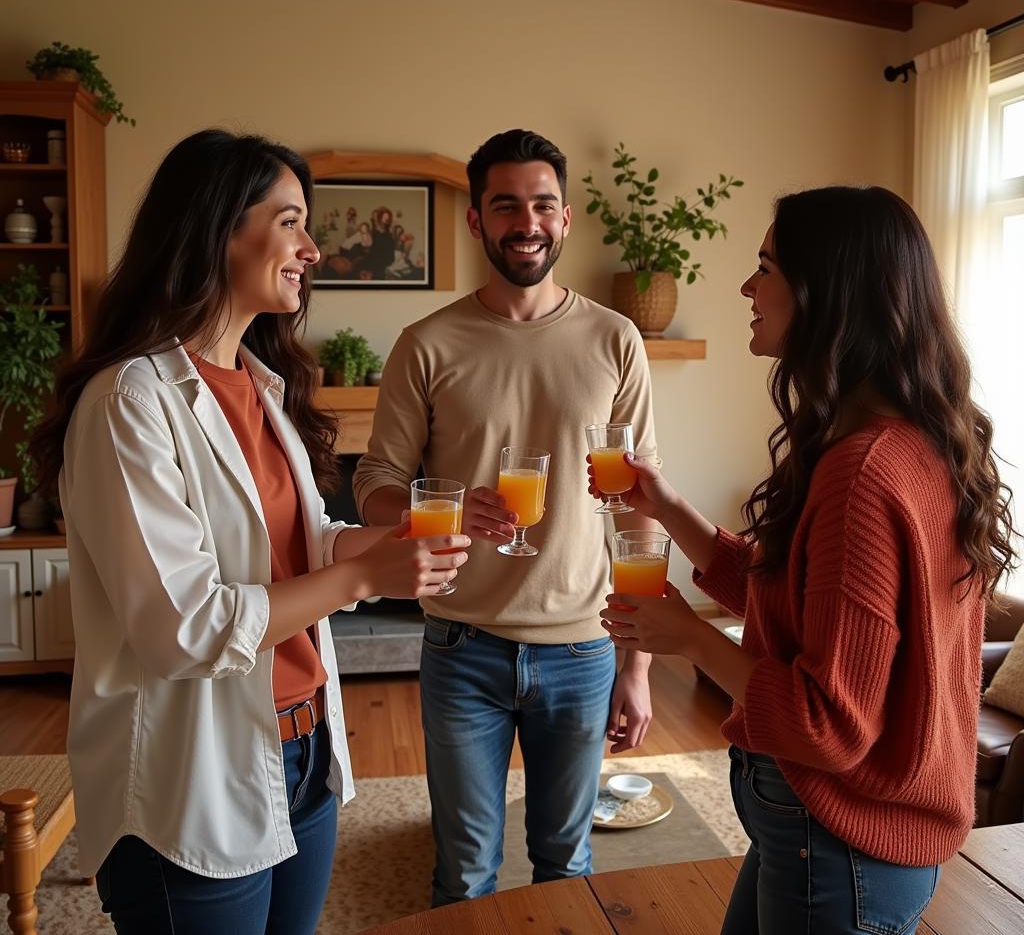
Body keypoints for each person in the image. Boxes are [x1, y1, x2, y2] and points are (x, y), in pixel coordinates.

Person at [29, 129, 470, 934]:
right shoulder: (130, 401)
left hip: (301, 753)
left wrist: (403, 538)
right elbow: (184, 629)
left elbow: (304, 545)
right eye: (292, 221)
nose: (312, 249)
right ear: (217, 228)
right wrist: (368, 580)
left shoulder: (259, 386)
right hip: (187, 779)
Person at [595, 186, 1016, 934]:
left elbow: (828, 723)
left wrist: (686, 639)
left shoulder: (863, 472)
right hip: (824, 824)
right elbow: (801, 595)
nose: (747, 287)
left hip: (842, 840)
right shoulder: (911, 443)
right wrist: (668, 509)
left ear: (831, 293)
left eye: (766, 266)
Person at [352, 129, 660, 905]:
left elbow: (637, 509)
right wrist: (445, 509)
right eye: (506, 205)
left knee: (568, 862)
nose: (527, 221)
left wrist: (639, 665)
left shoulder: (616, 339)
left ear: (564, 219)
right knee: (465, 872)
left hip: (584, 648)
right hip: (461, 647)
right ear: (477, 222)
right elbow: (377, 481)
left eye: (542, 204)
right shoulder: (427, 343)